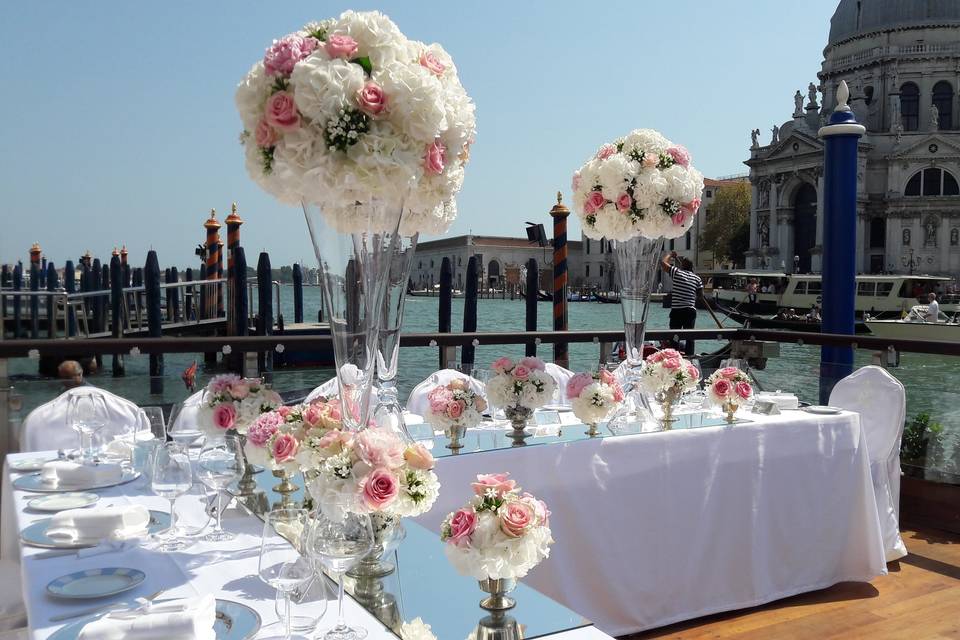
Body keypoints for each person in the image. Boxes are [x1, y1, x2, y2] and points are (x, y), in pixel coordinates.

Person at [660, 251, 703, 356]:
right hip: (690, 311)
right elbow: (700, 296)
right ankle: (691, 358)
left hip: (677, 311)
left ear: (682, 265)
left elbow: (663, 263)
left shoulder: (677, 272)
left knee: (674, 337)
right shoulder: (697, 279)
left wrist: (670, 255)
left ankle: (674, 358)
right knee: (689, 337)